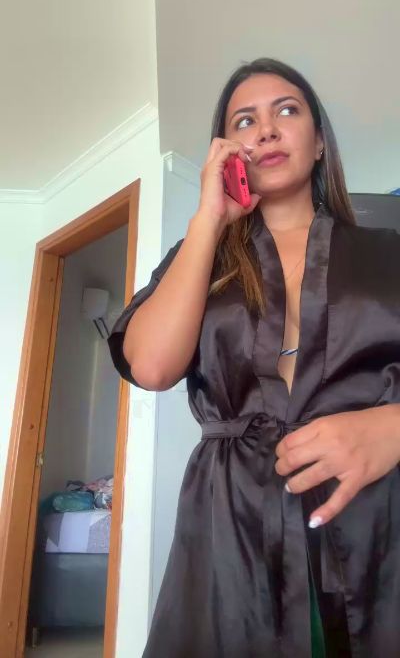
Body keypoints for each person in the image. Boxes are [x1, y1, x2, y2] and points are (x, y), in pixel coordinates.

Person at [108, 58, 400, 658]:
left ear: (319, 142)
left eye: (286, 111)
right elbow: (152, 366)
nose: (266, 129)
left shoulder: (389, 252)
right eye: (244, 121)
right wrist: (208, 220)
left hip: (378, 523)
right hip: (232, 527)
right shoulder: (198, 258)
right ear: (228, 154)